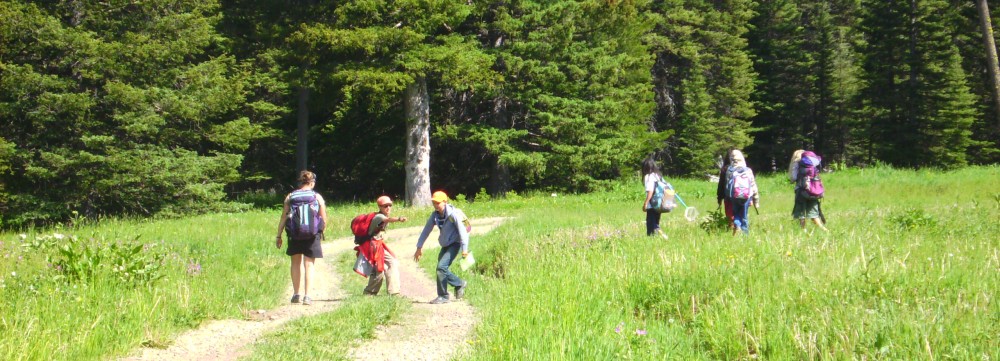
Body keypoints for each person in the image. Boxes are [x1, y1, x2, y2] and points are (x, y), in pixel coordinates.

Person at [275, 170, 327, 305]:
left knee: (295, 263)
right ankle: (307, 296)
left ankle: (296, 294)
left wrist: (279, 235)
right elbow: (323, 217)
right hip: (312, 234)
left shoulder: (291, 196)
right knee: (309, 264)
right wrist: (321, 230)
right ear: (312, 182)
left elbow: (283, 217)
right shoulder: (316, 196)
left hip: (294, 234)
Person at [414, 191, 470, 304]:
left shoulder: (453, 214)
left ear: (445, 202)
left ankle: (443, 296)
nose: (435, 205)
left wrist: (464, 250)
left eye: (438, 203)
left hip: (455, 243)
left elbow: (463, 231)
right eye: (434, 202)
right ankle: (459, 283)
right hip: (446, 244)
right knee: (441, 269)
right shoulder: (435, 215)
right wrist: (419, 247)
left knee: (441, 268)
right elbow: (426, 230)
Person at [361, 196, 407, 296]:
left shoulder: (382, 215)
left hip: (378, 244)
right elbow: (388, 220)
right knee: (379, 270)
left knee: (391, 262)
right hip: (373, 246)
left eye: (390, 205)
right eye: (385, 206)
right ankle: (369, 293)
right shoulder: (379, 217)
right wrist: (399, 219)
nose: (388, 208)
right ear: (380, 207)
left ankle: (393, 292)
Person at [790, 150, 829, 231]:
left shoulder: (797, 163)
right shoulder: (813, 163)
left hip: (801, 191)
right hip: (813, 191)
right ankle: (825, 230)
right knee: (814, 214)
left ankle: (803, 231)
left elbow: (793, 178)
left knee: (801, 213)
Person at [726, 150, 759, 235]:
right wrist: (756, 200)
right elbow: (753, 185)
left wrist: (728, 197)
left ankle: (737, 226)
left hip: (734, 196)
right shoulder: (748, 170)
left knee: (736, 213)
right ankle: (745, 234)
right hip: (746, 196)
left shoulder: (730, 170)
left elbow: (727, 185)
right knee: (744, 215)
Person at [641, 157, 668, 239]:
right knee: (656, 222)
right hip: (659, 203)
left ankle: (663, 236)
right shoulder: (658, 175)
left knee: (651, 224)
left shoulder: (648, 177)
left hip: (652, 204)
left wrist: (645, 203)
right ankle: (655, 238)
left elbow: (650, 191)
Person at [715, 149, 737, 233]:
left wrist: (719, 198)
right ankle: (739, 227)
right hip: (740, 194)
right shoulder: (741, 168)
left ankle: (731, 228)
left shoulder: (725, 169)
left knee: (729, 214)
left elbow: (721, 185)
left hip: (728, 196)